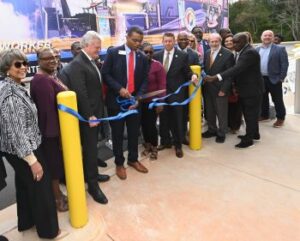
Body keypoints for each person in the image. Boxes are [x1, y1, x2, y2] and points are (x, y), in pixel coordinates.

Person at [0, 49, 60, 239]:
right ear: (7, 69)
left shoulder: (13, 86)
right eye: (17, 64)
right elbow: (16, 132)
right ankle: (49, 231)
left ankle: (27, 221)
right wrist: (32, 161)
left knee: (26, 185)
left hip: (22, 147)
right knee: (41, 187)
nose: (23, 67)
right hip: (24, 148)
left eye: (25, 63)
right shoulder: (10, 94)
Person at [60, 31, 110, 204]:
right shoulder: (77, 65)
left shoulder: (89, 60)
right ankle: (93, 186)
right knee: (90, 150)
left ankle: (93, 175)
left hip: (95, 113)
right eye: (97, 47)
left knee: (92, 149)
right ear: (86, 46)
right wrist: (90, 115)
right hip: (88, 118)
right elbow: (81, 93)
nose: (99, 50)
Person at [101, 26, 149, 180]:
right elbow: (105, 74)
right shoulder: (114, 53)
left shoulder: (142, 57)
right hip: (116, 102)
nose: (137, 44)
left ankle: (133, 159)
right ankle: (119, 163)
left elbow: (144, 80)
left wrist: (139, 97)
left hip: (134, 102)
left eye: (139, 42)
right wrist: (119, 88)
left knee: (134, 132)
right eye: (134, 40)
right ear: (126, 37)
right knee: (117, 134)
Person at [204, 33, 264, 148]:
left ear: (245, 41)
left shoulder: (249, 53)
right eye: (233, 42)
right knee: (249, 114)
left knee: (250, 115)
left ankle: (248, 140)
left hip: (251, 90)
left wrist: (217, 77)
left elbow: (236, 69)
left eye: (237, 42)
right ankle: (254, 134)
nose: (234, 44)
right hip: (245, 89)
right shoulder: (242, 51)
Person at [30, 47, 68, 212]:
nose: (52, 60)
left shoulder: (49, 76)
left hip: (55, 131)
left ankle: (58, 194)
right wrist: (57, 136)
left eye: (54, 56)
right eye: (47, 58)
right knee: (53, 166)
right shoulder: (42, 81)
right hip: (51, 133)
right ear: (39, 61)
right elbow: (47, 112)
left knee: (56, 165)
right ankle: (57, 198)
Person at [153, 32, 198, 157]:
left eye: (170, 41)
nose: (168, 43)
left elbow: (187, 71)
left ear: (174, 42)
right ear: (163, 42)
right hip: (162, 94)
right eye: (166, 41)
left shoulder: (182, 55)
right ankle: (165, 141)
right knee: (163, 119)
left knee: (178, 120)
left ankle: (178, 145)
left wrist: (193, 75)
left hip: (177, 94)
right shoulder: (157, 55)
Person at [202, 33, 234, 143]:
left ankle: (222, 132)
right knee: (209, 111)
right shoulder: (206, 53)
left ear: (220, 41)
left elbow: (230, 74)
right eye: (212, 41)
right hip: (207, 88)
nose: (214, 43)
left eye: (216, 41)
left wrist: (224, 89)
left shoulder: (228, 54)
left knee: (221, 112)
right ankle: (211, 129)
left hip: (220, 89)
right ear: (208, 42)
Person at [256, 30, 289, 127]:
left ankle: (280, 118)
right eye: (265, 35)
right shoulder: (257, 49)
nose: (267, 37)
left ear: (273, 37)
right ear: (261, 37)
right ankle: (264, 115)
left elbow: (284, 64)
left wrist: (282, 77)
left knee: (277, 100)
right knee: (263, 99)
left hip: (275, 79)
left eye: (269, 35)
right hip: (261, 78)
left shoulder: (280, 49)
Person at [140, 43, 166, 160]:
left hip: (153, 102)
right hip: (140, 102)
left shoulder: (158, 66)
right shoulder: (137, 65)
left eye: (150, 52)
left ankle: (154, 147)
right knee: (143, 125)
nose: (148, 54)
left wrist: (160, 102)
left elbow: (162, 85)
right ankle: (147, 145)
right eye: (145, 52)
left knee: (151, 125)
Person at [177, 31, 200, 145]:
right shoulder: (172, 52)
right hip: (173, 90)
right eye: (180, 39)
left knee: (184, 114)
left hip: (187, 90)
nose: (183, 41)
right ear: (177, 40)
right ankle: (173, 136)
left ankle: (182, 136)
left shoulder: (194, 54)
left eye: (185, 39)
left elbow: (197, 71)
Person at [223, 34, 243, 133]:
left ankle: (235, 126)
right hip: (226, 83)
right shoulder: (223, 53)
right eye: (226, 41)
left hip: (236, 83)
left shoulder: (239, 53)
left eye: (231, 41)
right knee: (227, 106)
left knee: (236, 106)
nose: (229, 43)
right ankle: (228, 124)